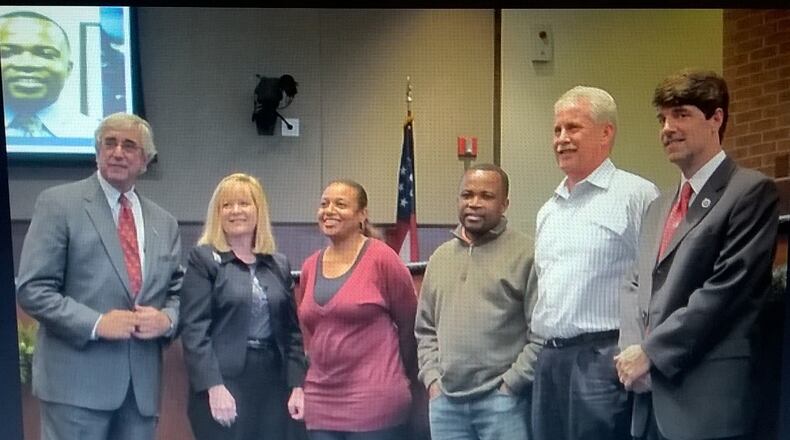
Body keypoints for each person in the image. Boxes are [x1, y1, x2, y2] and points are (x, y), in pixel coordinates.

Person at [616, 69, 779, 440]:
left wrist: (651, 353)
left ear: (716, 119)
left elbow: (727, 290)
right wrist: (631, 352)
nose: (667, 128)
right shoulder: (658, 207)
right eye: (662, 118)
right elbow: (634, 281)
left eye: (681, 114)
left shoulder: (750, 192)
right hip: (650, 399)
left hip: (707, 402)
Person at [15, 112, 183, 440]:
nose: (118, 151)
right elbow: (33, 289)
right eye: (110, 143)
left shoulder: (165, 223)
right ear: (97, 153)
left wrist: (167, 320)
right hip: (75, 389)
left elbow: (176, 292)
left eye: (129, 145)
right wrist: (96, 323)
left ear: (145, 160)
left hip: (141, 394)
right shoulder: (58, 204)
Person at [530, 86, 659, 440]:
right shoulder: (548, 210)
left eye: (573, 128)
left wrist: (645, 350)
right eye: (557, 130)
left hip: (605, 359)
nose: (561, 139)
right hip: (551, 359)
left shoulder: (637, 195)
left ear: (606, 133)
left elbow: (656, 282)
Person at [415, 163, 539, 440]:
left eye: (486, 196)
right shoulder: (439, 258)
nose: (474, 203)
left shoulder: (527, 254)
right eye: (467, 195)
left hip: (504, 405)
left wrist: (512, 384)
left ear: (505, 204)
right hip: (446, 405)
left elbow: (541, 334)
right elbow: (425, 330)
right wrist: (433, 380)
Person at [179, 172, 307, 440]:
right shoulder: (204, 259)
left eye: (244, 203)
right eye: (227, 205)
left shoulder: (278, 263)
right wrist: (213, 386)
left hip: (274, 383)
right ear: (218, 213)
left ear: (258, 210)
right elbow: (194, 330)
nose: (235, 211)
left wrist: (297, 385)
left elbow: (292, 333)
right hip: (224, 382)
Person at [297, 179, 419, 440]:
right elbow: (312, 332)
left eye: (340, 204)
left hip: (375, 401)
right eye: (324, 204)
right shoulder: (309, 266)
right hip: (320, 401)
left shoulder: (382, 258)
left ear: (362, 214)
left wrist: (401, 376)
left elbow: (410, 326)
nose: (329, 210)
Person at [1, 10, 96, 138]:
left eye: (46, 54)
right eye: (6, 52)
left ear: (68, 69)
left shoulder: (95, 134)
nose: (26, 64)